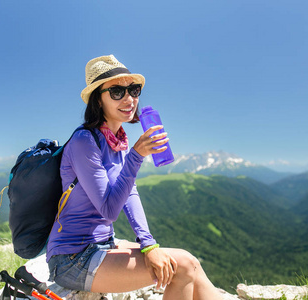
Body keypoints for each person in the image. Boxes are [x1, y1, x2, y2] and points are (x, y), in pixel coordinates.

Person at [46, 55, 222, 299]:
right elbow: (109, 211)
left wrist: (148, 243)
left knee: (192, 263)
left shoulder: (116, 141)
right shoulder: (84, 141)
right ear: (98, 99)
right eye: (117, 91)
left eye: (134, 89)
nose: (129, 99)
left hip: (103, 244)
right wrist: (136, 156)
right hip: (72, 258)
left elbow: (130, 193)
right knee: (181, 265)